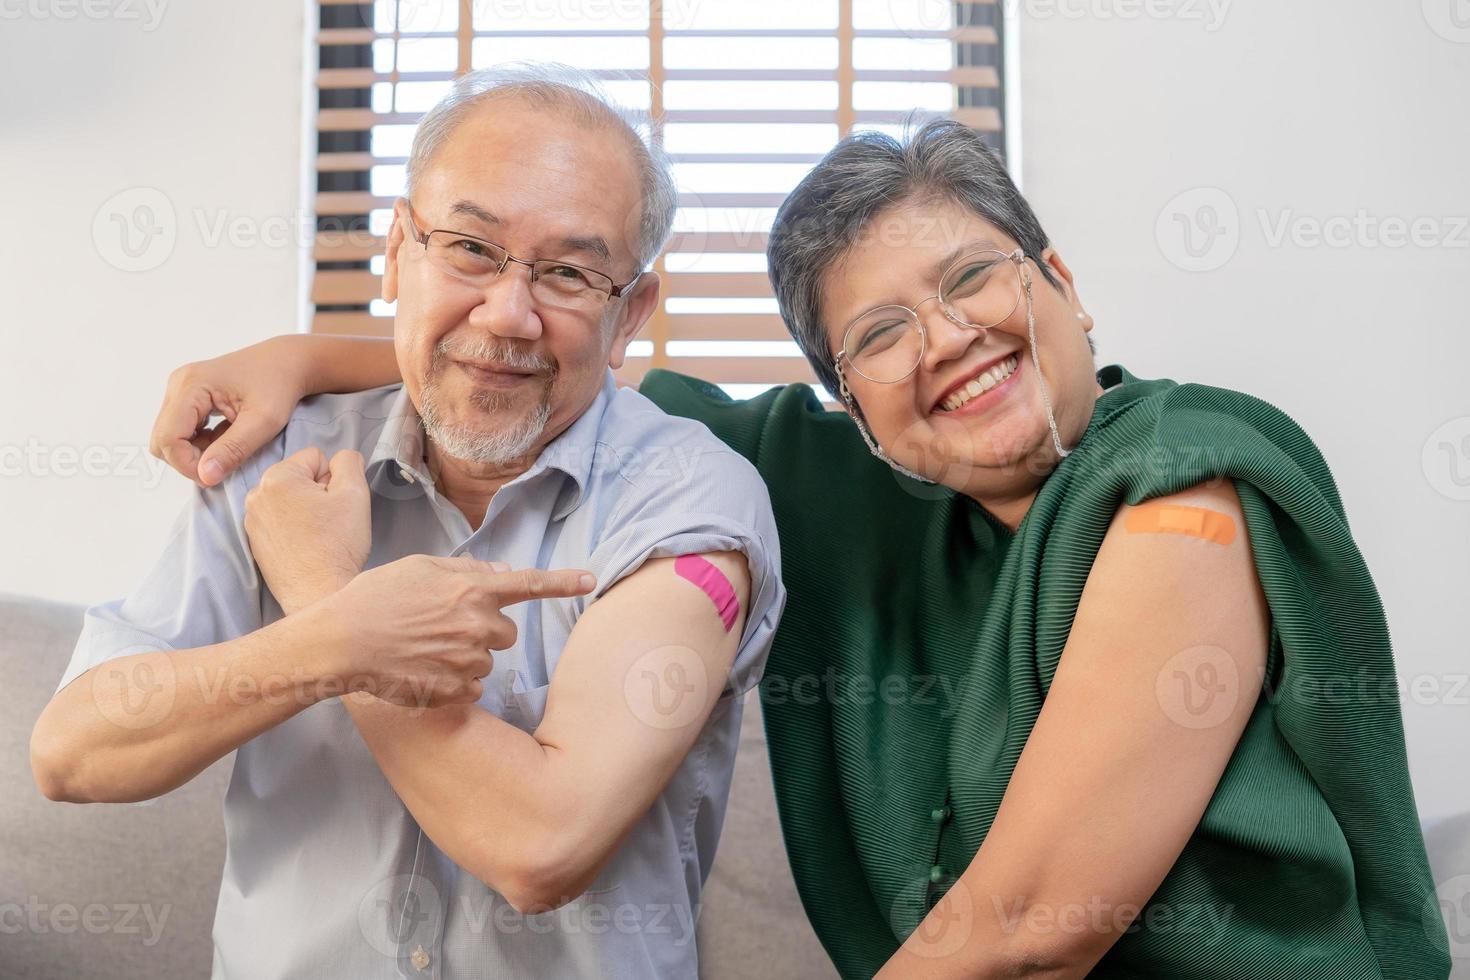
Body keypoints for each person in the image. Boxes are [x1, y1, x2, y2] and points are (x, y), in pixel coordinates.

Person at [141, 115, 1449, 977]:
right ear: (848, 401)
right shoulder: (814, 484)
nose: (940, 344)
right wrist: (295, 357)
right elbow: (549, 353)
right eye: (875, 336)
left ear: (1060, 278)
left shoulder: (1182, 481)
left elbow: (1023, 930)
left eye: (971, 280)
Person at [30, 65, 785, 980]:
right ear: (395, 253)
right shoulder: (277, 460)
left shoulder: (689, 499)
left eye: (571, 274)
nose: (509, 313)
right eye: (470, 247)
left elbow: (541, 846)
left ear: (629, 315)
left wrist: (321, 593)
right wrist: (324, 644)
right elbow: (73, 751)